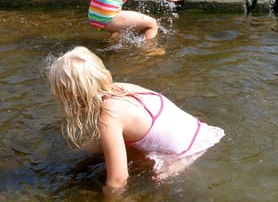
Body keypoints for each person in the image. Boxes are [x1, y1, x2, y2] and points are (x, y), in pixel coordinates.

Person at [48, 46, 224, 196]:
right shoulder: (122, 88)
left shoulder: (109, 117)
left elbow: (118, 180)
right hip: (202, 134)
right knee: (109, 145)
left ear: (71, 96)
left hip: (182, 156)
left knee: (121, 180)